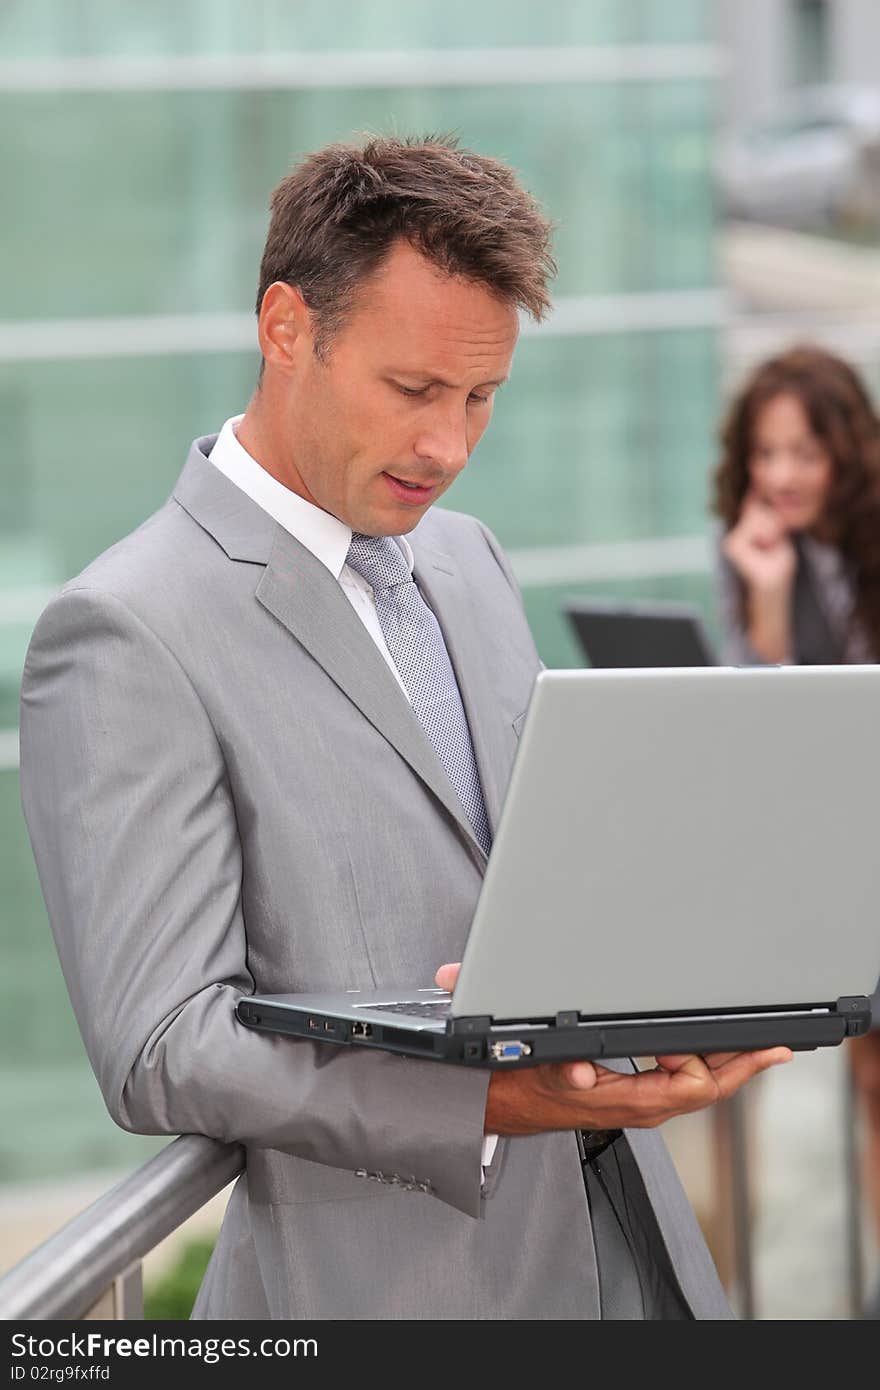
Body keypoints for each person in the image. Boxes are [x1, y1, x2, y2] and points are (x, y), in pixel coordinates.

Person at [19, 135, 791, 1322]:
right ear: (287, 329)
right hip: (389, 1292)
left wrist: (684, 995)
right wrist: (491, 1100)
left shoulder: (468, 560)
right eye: (415, 389)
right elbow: (163, 1043)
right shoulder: (126, 627)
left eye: (481, 396)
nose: (450, 444)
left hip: (635, 1252)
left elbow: (546, 879)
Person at [712, 343, 880, 1316]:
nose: (779, 476)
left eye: (803, 453)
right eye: (764, 453)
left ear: (846, 454)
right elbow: (766, 730)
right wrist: (764, 602)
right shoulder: (756, 547)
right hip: (823, 860)